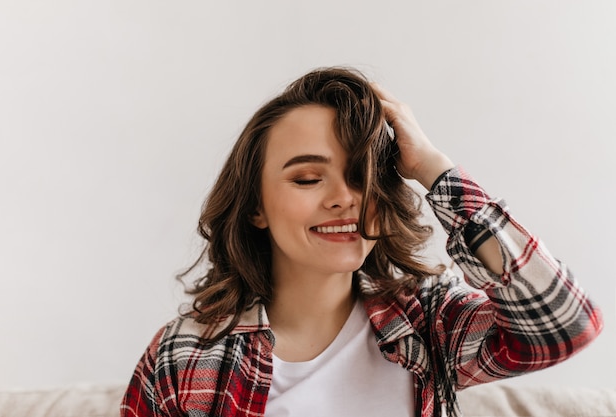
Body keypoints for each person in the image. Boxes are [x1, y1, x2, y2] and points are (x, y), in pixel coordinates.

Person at [120, 67, 603, 417]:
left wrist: (435, 170)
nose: (344, 199)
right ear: (255, 207)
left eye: (362, 176)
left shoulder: (426, 322)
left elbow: (566, 325)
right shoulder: (186, 355)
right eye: (308, 178)